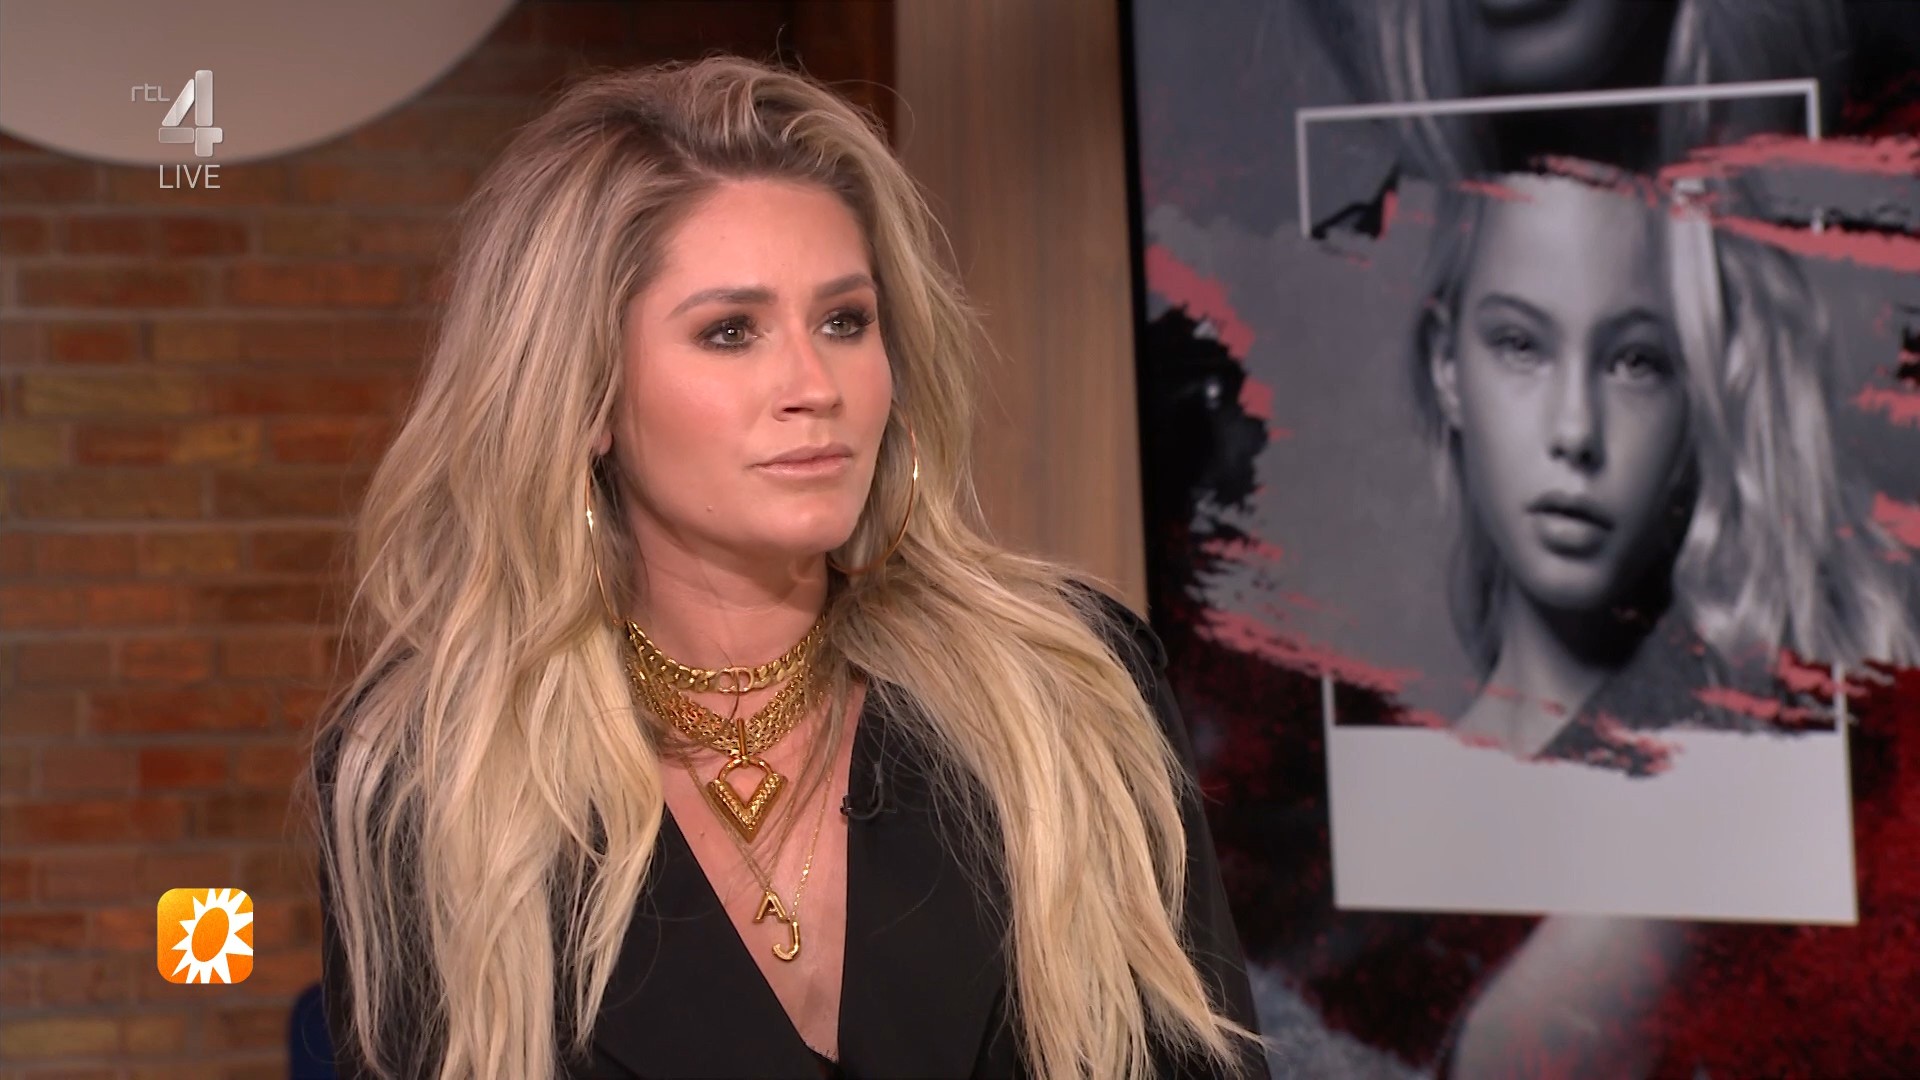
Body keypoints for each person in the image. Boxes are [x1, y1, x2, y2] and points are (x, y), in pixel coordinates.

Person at [301, 56, 1266, 1080]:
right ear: (584, 395)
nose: (815, 384)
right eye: (731, 333)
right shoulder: (430, 783)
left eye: (845, 321)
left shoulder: (1070, 689)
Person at [1407, 167, 1917, 762]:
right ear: (1446, 366)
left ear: (1704, 391)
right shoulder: (1408, 785)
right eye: (1520, 346)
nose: (1575, 430)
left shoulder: (1781, 740)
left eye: (1636, 361)